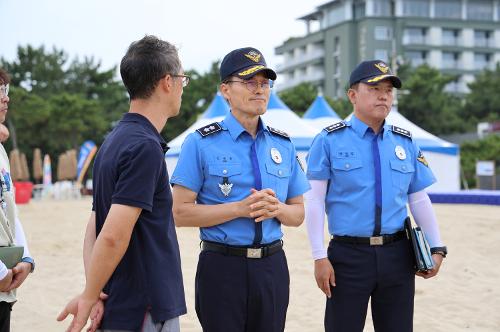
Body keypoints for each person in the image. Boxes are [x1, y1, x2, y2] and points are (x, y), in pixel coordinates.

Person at [170, 47, 310, 332]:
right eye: (249, 82)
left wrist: (278, 209)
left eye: (264, 83)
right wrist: (238, 209)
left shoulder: (283, 144)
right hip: (222, 267)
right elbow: (178, 213)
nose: (259, 90)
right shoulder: (200, 143)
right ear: (225, 90)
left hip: (272, 267)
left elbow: (298, 215)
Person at [305, 60, 448, 332]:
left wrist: (437, 247)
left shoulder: (405, 141)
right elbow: (314, 201)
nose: (384, 95)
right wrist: (318, 256)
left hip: (398, 255)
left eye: (389, 90)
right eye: (374, 88)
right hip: (347, 256)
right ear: (352, 95)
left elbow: (418, 199)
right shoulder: (329, 140)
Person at [57, 36, 187, 332]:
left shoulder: (113, 141)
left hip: (118, 298)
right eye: (182, 79)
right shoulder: (144, 147)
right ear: (167, 82)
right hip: (144, 302)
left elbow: (94, 225)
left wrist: (96, 290)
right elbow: (113, 234)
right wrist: (91, 296)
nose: (182, 87)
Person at [0, 68, 36, 332]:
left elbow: (10, 213)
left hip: (5, 289)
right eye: (0, 92)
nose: (6, 99)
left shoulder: (1, 151)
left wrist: (27, 258)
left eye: (6, 91)